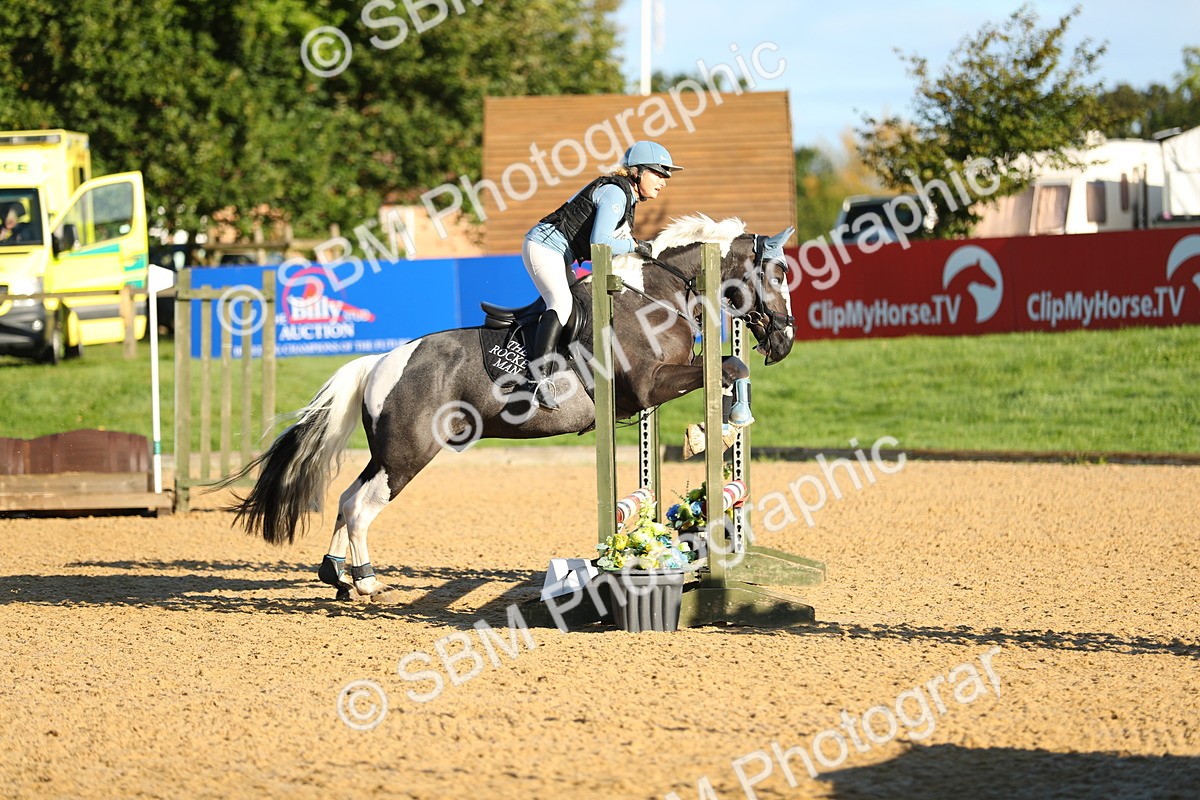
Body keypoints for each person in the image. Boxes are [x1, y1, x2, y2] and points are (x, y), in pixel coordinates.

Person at [521, 140, 683, 409]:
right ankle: (536, 380)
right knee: (561, 304)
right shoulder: (615, 194)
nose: (664, 181)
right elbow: (601, 243)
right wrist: (635, 245)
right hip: (543, 247)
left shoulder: (626, 198)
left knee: (582, 308)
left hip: (558, 253)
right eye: (659, 173)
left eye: (665, 175)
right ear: (637, 171)